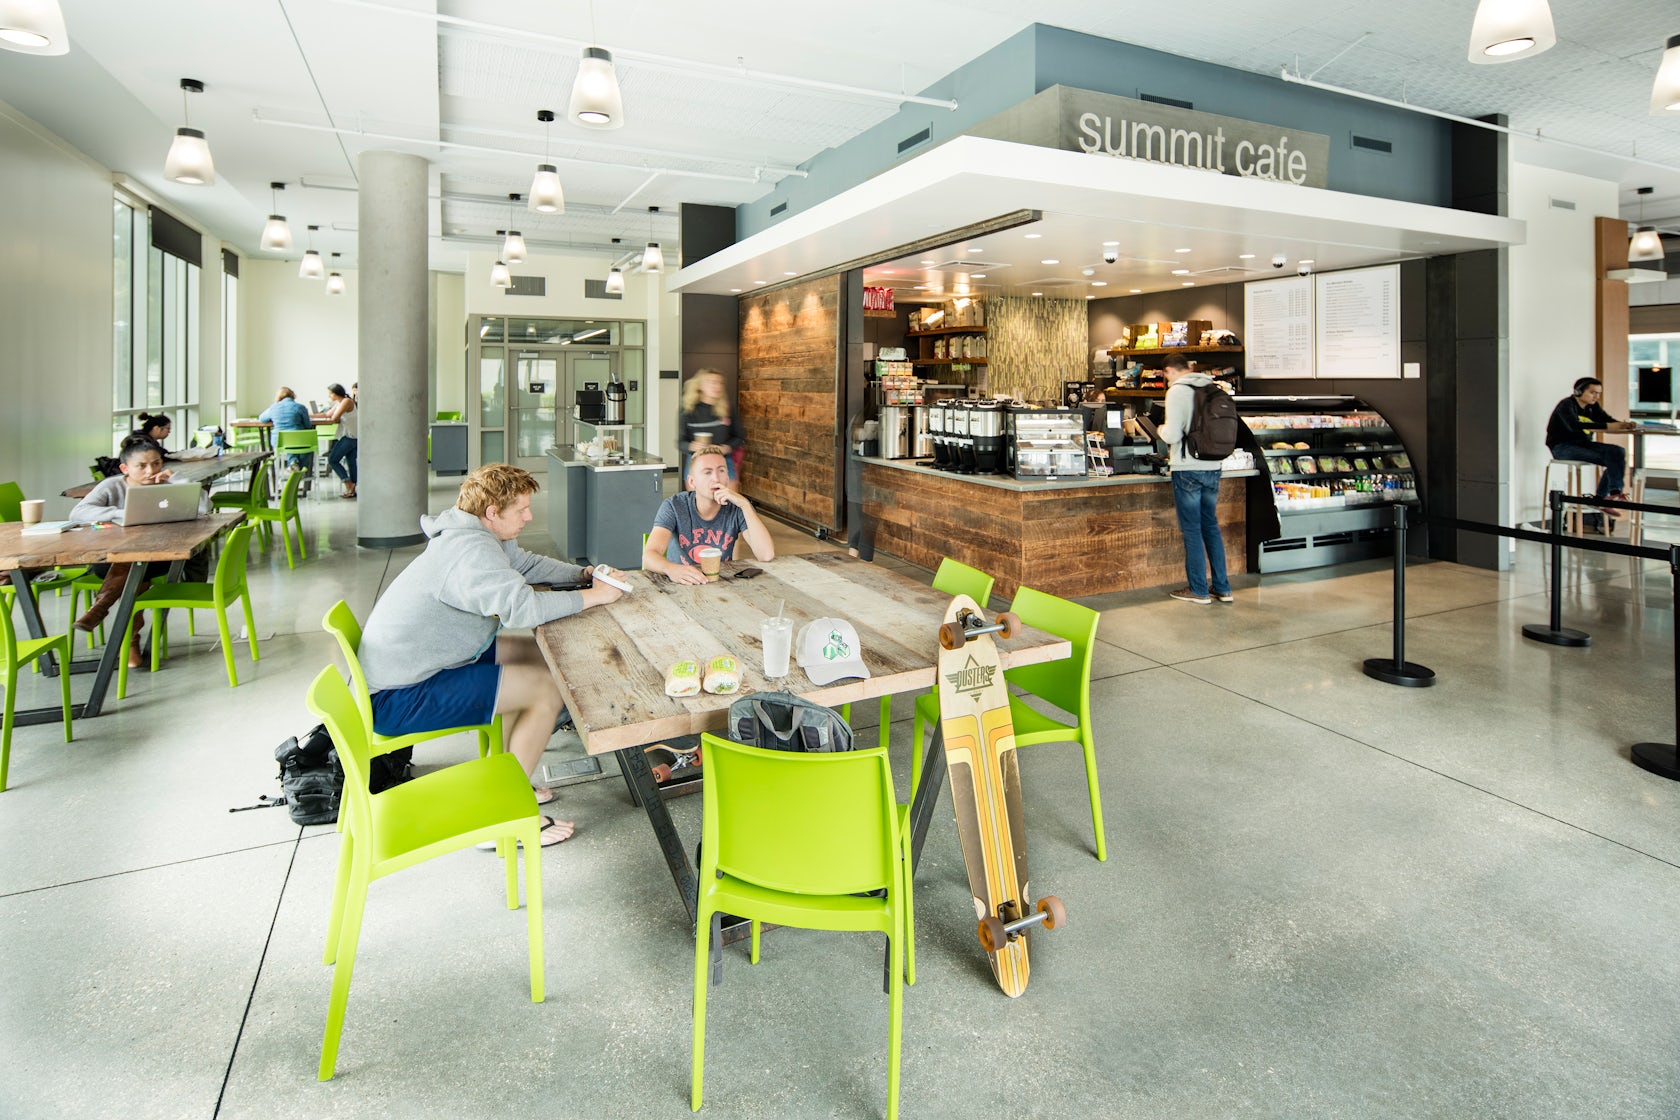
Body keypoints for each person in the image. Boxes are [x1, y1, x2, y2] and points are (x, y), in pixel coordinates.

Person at [356, 463, 626, 847]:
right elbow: (525, 609)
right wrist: (598, 596)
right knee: (546, 689)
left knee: (540, 658)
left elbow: (527, 565)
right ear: (493, 513)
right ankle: (500, 815)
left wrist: (583, 576)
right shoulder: (470, 553)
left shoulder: (477, 534)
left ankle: (509, 777)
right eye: (521, 510)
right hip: (398, 696)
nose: (530, 516)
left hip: (427, 661)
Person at [69, 436, 212, 666]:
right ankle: (129, 640)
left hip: (160, 557)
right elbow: (78, 513)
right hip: (113, 559)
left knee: (137, 567)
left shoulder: (168, 484)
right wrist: (119, 513)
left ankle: (104, 612)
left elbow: (206, 507)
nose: (150, 470)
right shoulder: (112, 486)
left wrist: (177, 479)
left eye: (156, 463)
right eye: (142, 466)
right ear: (125, 468)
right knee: (133, 569)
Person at [1157, 354, 1233, 605]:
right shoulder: (1212, 387)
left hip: (1188, 467)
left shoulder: (1177, 391)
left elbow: (1172, 434)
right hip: (1214, 465)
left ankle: (1199, 590)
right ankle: (1222, 588)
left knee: (1191, 529)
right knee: (1210, 525)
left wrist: (1158, 430)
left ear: (1169, 371)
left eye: (1166, 375)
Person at [642, 445, 774, 583]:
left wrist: (745, 504)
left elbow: (766, 555)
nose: (716, 478)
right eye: (707, 472)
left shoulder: (737, 508)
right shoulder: (674, 506)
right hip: (682, 584)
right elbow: (649, 555)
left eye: (721, 470)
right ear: (692, 482)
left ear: (727, 479)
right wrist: (671, 569)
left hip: (720, 583)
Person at [1546, 376, 1637, 533]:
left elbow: (1606, 420)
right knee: (1614, 457)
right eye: (1593, 392)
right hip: (1563, 447)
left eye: (1599, 393)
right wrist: (1610, 425)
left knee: (1617, 453)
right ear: (1579, 391)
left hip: (1584, 445)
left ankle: (1607, 495)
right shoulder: (1566, 405)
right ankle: (1605, 498)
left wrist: (1622, 425)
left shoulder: (1592, 407)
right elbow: (1575, 426)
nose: (1596, 396)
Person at [678, 368, 743, 483]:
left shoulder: (728, 409)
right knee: (697, 500)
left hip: (723, 460)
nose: (717, 386)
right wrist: (691, 446)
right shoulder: (688, 410)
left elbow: (740, 438)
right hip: (697, 460)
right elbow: (680, 442)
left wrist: (725, 448)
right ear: (700, 386)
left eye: (720, 383)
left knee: (728, 500)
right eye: (712, 382)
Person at [313, 383, 358, 499]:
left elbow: (335, 417)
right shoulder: (340, 402)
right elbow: (327, 414)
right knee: (351, 461)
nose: (329, 396)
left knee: (332, 460)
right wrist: (308, 415)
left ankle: (348, 483)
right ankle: (352, 489)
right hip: (353, 436)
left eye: (330, 394)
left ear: (335, 393)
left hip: (350, 436)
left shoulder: (346, 401)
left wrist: (329, 417)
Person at [259, 386, 315, 470]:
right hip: (299, 440)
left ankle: (293, 462)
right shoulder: (300, 407)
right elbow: (307, 425)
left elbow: (262, 419)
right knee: (306, 445)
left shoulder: (274, 407)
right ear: (293, 396)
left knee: (289, 442)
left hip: (280, 441)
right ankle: (301, 468)